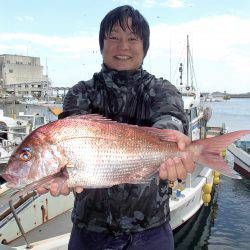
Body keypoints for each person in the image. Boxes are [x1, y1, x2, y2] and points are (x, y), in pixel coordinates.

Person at [38, 5, 195, 249]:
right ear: (101, 44)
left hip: (150, 232)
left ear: (145, 47)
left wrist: (171, 136)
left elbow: (171, 115)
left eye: (133, 38)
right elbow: (69, 135)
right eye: (114, 37)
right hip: (90, 232)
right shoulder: (81, 92)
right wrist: (57, 172)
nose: (123, 46)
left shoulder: (162, 90)